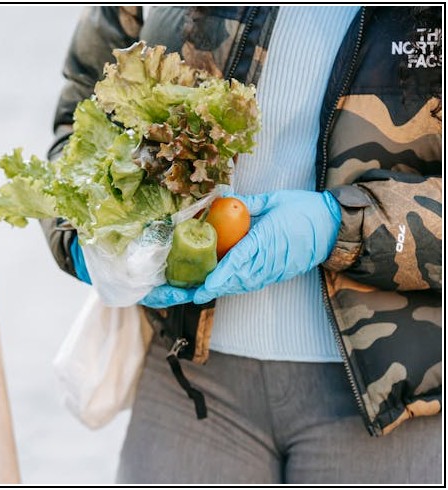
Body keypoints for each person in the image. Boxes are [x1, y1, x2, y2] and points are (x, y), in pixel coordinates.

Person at [40, 6, 443, 484]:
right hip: (189, 383)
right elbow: (82, 114)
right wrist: (88, 237)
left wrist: (343, 225)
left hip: (400, 394)